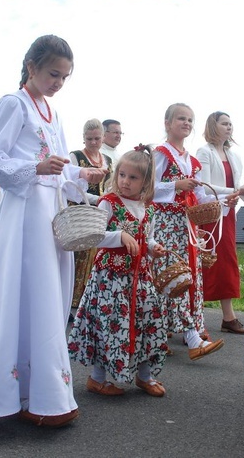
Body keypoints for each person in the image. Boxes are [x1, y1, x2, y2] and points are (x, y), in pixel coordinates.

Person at [0, 35, 104, 427]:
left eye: (65, 77)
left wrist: (80, 173)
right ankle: (15, 390)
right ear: (31, 66)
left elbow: (57, 165)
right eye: (54, 73)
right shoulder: (13, 103)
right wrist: (36, 170)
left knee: (47, 292)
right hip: (23, 211)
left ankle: (44, 387)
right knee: (24, 291)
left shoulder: (53, 113)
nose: (58, 82)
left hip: (50, 212)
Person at [68, 146, 169, 397]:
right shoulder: (108, 203)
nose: (125, 181)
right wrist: (119, 236)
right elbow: (94, 236)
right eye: (122, 175)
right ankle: (97, 378)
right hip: (110, 279)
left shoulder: (149, 207)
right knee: (109, 325)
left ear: (145, 181)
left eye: (133, 177)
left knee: (148, 321)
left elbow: (147, 238)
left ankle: (144, 376)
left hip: (140, 277)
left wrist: (154, 248)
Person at [152, 103, 225, 360]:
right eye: (181, 118)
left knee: (188, 276)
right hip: (165, 223)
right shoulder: (160, 154)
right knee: (173, 276)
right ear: (167, 123)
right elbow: (148, 188)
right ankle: (188, 336)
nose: (186, 123)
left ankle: (170, 333)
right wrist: (176, 185)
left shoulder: (191, 160)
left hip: (186, 225)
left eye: (190, 120)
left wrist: (223, 201)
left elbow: (199, 194)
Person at [196, 111, 244, 335]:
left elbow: (237, 187)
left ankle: (229, 317)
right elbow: (203, 185)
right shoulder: (204, 151)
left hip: (228, 213)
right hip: (209, 214)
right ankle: (195, 318)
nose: (229, 127)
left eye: (230, 124)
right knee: (206, 263)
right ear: (213, 126)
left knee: (227, 262)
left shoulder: (233, 154)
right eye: (224, 123)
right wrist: (235, 191)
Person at [69, 118, 112, 309]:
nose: (93, 142)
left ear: (103, 137)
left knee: (96, 254)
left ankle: (88, 300)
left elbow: (109, 187)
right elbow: (72, 189)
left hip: (100, 212)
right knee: (78, 256)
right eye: (89, 139)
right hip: (79, 210)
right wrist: (98, 199)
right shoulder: (76, 156)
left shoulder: (108, 160)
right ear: (83, 138)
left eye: (97, 138)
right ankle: (71, 301)